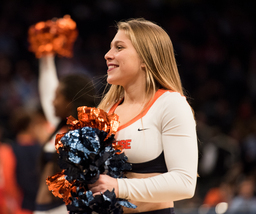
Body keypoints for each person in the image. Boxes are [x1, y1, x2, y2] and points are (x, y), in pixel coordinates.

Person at [87, 18, 198, 214]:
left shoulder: (170, 104)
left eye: (119, 47)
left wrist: (120, 187)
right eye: (110, 48)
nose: (107, 55)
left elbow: (184, 183)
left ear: (146, 59)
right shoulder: (107, 110)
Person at [34, 54, 98, 214]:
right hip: (42, 209)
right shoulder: (60, 128)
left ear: (70, 101)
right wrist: (46, 57)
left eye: (57, 97)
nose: (52, 101)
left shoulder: (86, 135)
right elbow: (46, 90)